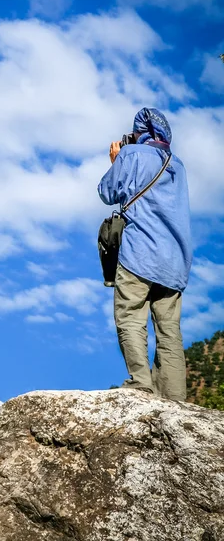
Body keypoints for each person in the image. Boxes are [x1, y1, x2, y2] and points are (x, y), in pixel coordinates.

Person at [98, 108, 192, 401]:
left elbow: (107, 192)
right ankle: (174, 397)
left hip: (140, 253)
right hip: (175, 262)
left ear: (141, 131)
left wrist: (117, 161)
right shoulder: (178, 165)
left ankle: (141, 384)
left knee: (129, 315)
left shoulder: (131, 155)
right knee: (169, 332)